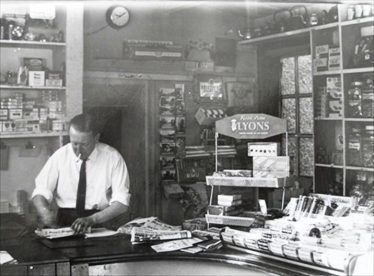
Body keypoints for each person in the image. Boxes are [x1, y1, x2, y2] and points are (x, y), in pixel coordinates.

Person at [32, 113, 130, 233]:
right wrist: (44, 211)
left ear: (96, 138)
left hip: (100, 222)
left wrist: (92, 219)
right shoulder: (60, 156)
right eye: (74, 143)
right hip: (65, 221)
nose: (78, 150)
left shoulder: (113, 157)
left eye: (84, 144)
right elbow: (41, 191)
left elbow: (121, 202)